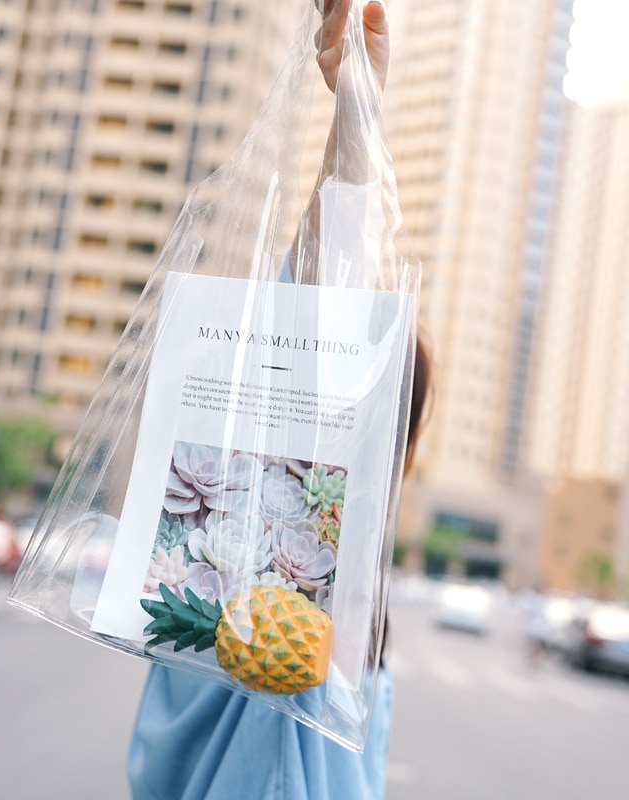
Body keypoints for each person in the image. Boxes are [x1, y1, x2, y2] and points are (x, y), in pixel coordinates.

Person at [128, 2, 430, 797]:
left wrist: (358, 111)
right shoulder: (271, 620)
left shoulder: (278, 615)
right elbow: (318, 297)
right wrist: (355, 115)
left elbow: (316, 301)